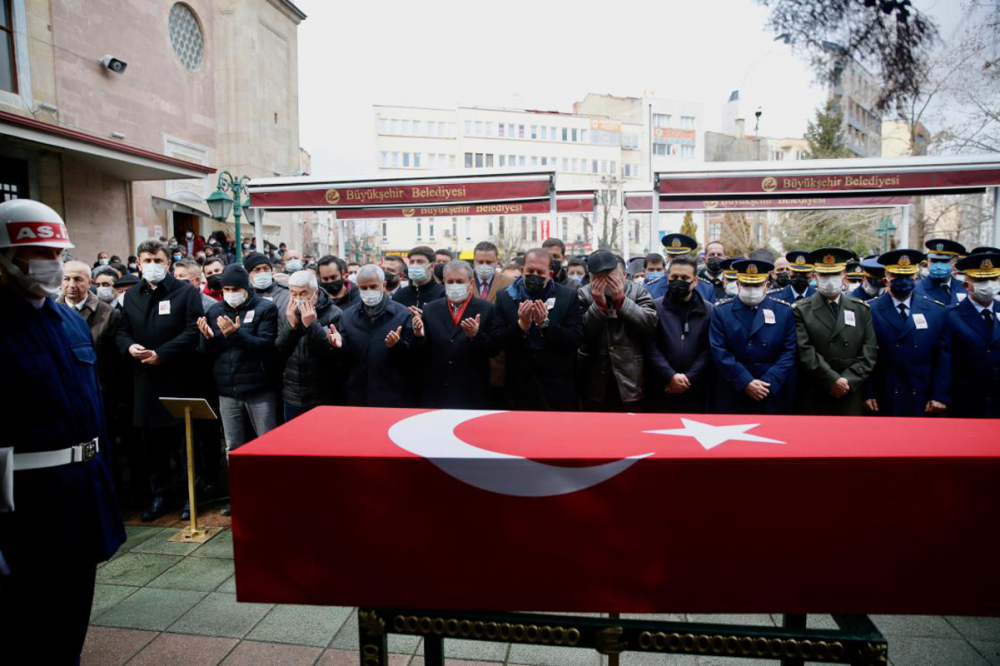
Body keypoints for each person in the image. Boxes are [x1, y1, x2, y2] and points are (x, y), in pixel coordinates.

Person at [0, 199, 125, 665]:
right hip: (24, 504)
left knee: (69, 627)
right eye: (40, 254)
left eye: (58, 252)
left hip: (81, 495)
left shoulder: (69, 319)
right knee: (24, 632)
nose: (54, 263)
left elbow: (91, 410)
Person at [115, 239, 204, 521]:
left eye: (157, 261)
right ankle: (160, 496)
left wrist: (163, 354)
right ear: (138, 264)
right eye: (147, 261)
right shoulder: (131, 296)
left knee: (185, 444)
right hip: (145, 380)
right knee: (152, 446)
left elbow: (194, 330)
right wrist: (129, 347)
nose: (152, 266)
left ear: (167, 263)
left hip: (178, 377)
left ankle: (191, 496)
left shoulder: (186, 292)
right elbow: (122, 331)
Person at [197, 264, 278, 515]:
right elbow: (207, 352)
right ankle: (240, 496)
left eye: (235, 289)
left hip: (259, 388)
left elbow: (264, 345)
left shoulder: (265, 308)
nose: (230, 293)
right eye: (226, 290)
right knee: (233, 447)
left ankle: (270, 495)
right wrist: (207, 338)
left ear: (246, 288)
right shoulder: (216, 310)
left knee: (267, 445)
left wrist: (235, 335)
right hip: (227, 390)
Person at [492, 247, 584, 411]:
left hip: (557, 387)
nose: (534, 275)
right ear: (522, 271)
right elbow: (496, 341)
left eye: (540, 272)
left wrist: (546, 324)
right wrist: (521, 326)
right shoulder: (505, 297)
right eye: (530, 270)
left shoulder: (567, 296)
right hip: (519, 386)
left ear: (550, 273)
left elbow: (575, 339)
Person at [792, 248, 878, 416]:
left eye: (835, 274)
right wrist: (832, 379)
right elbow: (805, 350)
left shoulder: (861, 309)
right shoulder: (801, 310)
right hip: (816, 389)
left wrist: (848, 380)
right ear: (815, 277)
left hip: (850, 389)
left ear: (844, 277)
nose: (829, 280)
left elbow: (870, 350)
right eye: (824, 275)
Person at [865, 249, 951, 417]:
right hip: (884, 394)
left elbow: (943, 357)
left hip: (922, 393)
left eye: (908, 277)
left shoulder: (936, 311)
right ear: (886, 280)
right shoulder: (869, 310)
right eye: (897, 277)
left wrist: (939, 395)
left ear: (916, 278)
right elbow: (864, 355)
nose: (903, 282)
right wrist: (867, 393)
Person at [709, 258, 797, 414]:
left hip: (770, 388)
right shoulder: (722, 311)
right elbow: (719, 350)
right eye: (746, 285)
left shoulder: (783, 311)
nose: (751, 289)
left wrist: (769, 380)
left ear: (767, 286)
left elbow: (789, 351)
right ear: (738, 285)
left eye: (756, 285)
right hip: (734, 388)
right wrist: (745, 381)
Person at [577, 250, 657, 411]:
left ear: (622, 274)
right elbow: (581, 334)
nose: (606, 281)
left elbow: (650, 324)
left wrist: (622, 300)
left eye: (610, 275)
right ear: (591, 278)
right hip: (595, 377)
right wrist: (598, 305)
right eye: (600, 276)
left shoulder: (637, 291)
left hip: (631, 376)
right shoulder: (583, 294)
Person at [412, 261, 495, 408]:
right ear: (444, 282)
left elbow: (493, 349)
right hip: (436, 390)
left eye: (459, 281)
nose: (455, 285)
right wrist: (419, 335)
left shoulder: (487, 309)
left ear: (470, 283)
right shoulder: (431, 309)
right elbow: (423, 352)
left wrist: (475, 335)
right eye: (450, 281)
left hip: (471, 391)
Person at [332, 264, 417, 406]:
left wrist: (397, 345)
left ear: (383, 285)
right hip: (357, 396)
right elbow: (344, 361)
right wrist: (338, 346)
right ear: (358, 287)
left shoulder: (402, 315)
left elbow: (414, 359)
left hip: (393, 396)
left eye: (373, 287)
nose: (369, 291)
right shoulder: (347, 317)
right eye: (364, 288)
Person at [646, 255, 714, 413]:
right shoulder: (655, 307)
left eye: (685, 278)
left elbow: (709, 349)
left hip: (696, 389)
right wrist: (671, 376)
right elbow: (650, 346)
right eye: (674, 277)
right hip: (662, 387)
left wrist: (688, 378)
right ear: (667, 278)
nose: (679, 281)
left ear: (695, 281)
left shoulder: (709, 311)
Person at [275, 270, 343, 421]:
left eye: (303, 294)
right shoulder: (286, 313)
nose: (298, 299)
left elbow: (335, 359)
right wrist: (291, 327)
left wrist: (312, 326)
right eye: (294, 294)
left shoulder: (334, 314)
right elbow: (278, 352)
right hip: (293, 395)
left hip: (323, 396)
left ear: (316, 294)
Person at [947, 252, 1000, 418]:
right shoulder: (951, 315)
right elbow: (944, 358)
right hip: (966, 397)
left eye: (994, 279)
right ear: (966, 285)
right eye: (981, 280)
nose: (989, 285)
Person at [915, 238, 966, 305]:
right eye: (934, 261)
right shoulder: (917, 290)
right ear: (928, 262)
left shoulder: (965, 289)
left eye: (944, 261)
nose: (938, 266)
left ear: (954, 264)